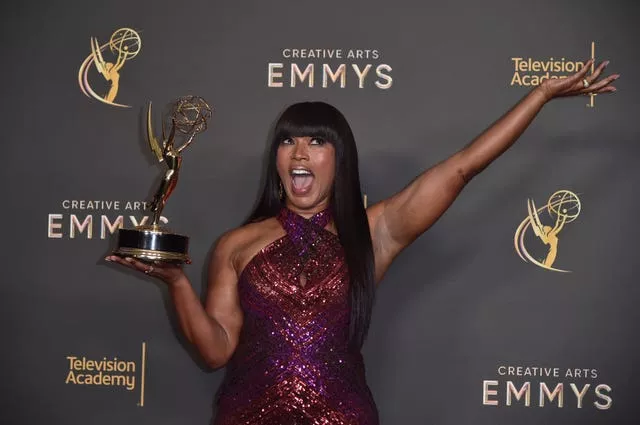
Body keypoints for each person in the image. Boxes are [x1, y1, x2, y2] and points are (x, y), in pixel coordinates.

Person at [105, 59, 618, 424]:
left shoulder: (374, 233)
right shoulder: (235, 245)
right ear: (277, 159)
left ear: (339, 158)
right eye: (288, 140)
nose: (299, 151)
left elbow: (462, 168)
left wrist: (539, 95)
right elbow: (216, 350)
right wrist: (175, 282)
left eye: (316, 140)